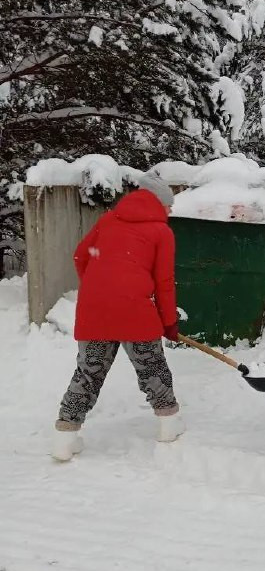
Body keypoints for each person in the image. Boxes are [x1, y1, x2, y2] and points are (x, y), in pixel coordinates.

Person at [51, 171, 183, 461]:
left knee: (88, 373)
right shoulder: (162, 232)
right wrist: (169, 322)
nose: (170, 212)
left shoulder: (109, 220)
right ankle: (168, 426)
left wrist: (100, 288)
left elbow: (80, 255)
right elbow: (164, 282)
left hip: (95, 309)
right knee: (152, 368)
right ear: (158, 204)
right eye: (169, 206)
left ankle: (64, 438)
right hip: (135, 311)